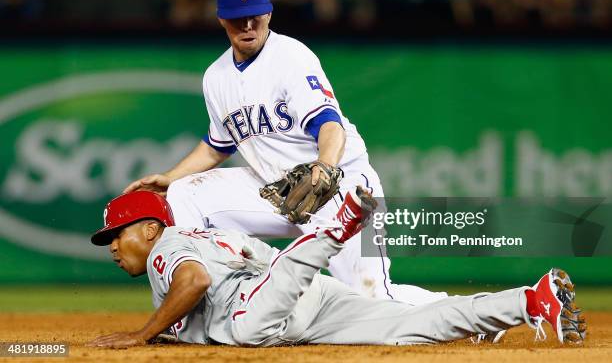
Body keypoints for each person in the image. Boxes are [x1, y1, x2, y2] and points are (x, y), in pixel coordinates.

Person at [123, 0, 446, 305]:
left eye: (254, 17)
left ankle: (465, 315)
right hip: (273, 192)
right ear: (221, 19)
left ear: (268, 14)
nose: (247, 26)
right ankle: (203, 306)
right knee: (184, 193)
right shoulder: (215, 77)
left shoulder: (291, 57)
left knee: (371, 297)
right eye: (237, 19)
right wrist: (171, 176)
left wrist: (325, 166)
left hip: (340, 188)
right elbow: (217, 145)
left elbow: (330, 125)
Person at [88, 190, 586, 348]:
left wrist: (141, 334)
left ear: (150, 229)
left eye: (117, 234)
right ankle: (527, 299)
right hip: (302, 301)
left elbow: (193, 281)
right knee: (407, 328)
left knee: (245, 324)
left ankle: (339, 224)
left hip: (258, 309)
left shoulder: (167, 247)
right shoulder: (200, 237)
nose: (112, 246)